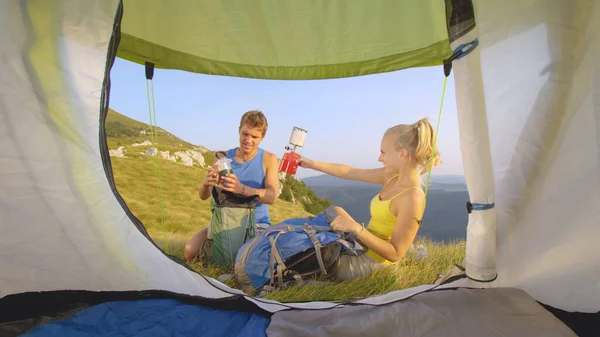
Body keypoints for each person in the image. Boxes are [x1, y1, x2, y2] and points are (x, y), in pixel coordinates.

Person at [296, 118, 440, 281]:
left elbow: (395, 254)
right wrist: (311, 163)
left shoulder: (413, 197)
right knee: (335, 211)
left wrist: (358, 229)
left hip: (373, 262)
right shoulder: (392, 177)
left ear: (403, 154)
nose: (380, 158)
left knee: (312, 256)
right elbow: (350, 172)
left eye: (383, 152)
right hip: (362, 245)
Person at [184, 110, 280, 261]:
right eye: (245, 134)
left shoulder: (268, 159)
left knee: (241, 261)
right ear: (239, 130)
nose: (248, 140)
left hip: (256, 223)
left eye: (254, 136)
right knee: (190, 251)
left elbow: (272, 196)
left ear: (262, 137)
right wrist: (206, 183)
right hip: (224, 221)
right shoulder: (223, 158)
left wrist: (241, 189)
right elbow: (203, 196)